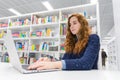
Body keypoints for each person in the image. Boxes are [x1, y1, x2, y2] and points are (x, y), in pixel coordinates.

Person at [28, 13, 100, 70]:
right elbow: (64, 60)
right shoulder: (73, 42)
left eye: (74, 23)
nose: (71, 26)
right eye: (70, 25)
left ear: (83, 25)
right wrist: (50, 61)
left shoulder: (93, 38)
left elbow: (86, 63)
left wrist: (54, 65)